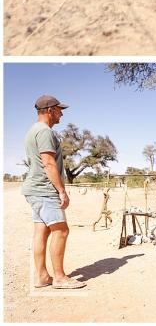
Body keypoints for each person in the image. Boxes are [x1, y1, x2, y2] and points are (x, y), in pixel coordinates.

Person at [23, 94, 85, 290]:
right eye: (59, 110)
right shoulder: (45, 132)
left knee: (41, 232)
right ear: (50, 110)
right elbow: (49, 163)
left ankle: (42, 277)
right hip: (45, 190)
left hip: (35, 189)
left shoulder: (33, 130)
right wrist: (62, 191)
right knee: (61, 230)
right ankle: (59, 278)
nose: (61, 114)